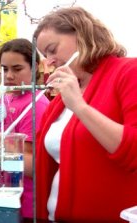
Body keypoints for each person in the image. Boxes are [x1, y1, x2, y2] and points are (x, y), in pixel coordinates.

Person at [33, 7, 137, 222]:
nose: (49, 61)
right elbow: (48, 163)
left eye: (52, 50)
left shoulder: (129, 72)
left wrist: (80, 107)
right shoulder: (61, 100)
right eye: (45, 55)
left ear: (82, 35)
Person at [0, 38, 49, 222]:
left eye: (17, 68)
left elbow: (30, 163)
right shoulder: (2, 101)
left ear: (35, 67)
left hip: (24, 204)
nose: (9, 76)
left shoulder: (37, 105)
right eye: (5, 69)